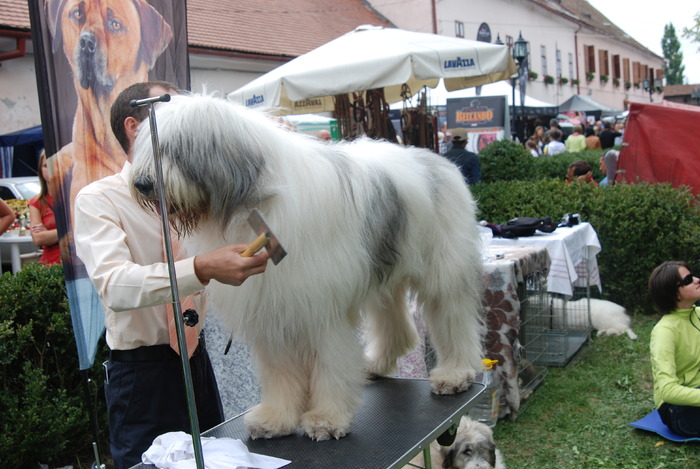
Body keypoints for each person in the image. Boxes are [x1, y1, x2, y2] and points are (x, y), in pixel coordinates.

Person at [74, 81, 271, 469]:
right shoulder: (98, 200)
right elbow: (114, 285)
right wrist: (202, 268)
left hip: (197, 364)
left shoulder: (206, 191)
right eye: (172, 110)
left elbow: (276, 243)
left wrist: (270, 169)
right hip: (142, 378)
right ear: (135, 127)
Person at [648, 261, 700, 438]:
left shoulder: (697, 314)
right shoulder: (664, 332)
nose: (696, 280)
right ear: (674, 294)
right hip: (678, 409)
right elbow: (668, 391)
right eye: (688, 280)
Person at [28, 150, 61, 265]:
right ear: (40, 170)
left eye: (53, 165)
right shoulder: (37, 202)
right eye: (46, 166)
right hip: (50, 264)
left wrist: (50, 234)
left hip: (77, 264)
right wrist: (69, 231)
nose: (50, 170)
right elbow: (38, 239)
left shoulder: (74, 197)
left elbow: (82, 230)